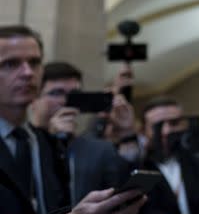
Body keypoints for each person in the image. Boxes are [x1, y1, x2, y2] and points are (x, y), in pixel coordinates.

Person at [0, 25, 145, 214]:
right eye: (9, 64)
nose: (27, 72)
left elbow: (55, 208)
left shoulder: (44, 142)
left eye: (34, 62)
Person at [28, 62, 130, 204]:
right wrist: (50, 140)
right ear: (33, 99)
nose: (66, 101)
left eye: (74, 95)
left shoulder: (99, 150)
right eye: (57, 93)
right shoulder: (18, 144)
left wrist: (126, 133)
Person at [134, 96, 199, 214]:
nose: (166, 131)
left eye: (174, 123)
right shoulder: (137, 166)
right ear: (144, 131)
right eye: (157, 126)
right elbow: (139, 213)